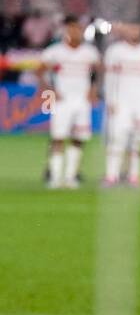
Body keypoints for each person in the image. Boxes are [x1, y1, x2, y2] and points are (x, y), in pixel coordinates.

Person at [38, 15, 98, 189]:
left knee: (79, 137)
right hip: (62, 101)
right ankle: (55, 177)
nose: (74, 32)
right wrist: (50, 91)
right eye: (71, 29)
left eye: (77, 29)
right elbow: (39, 72)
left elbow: (97, 72)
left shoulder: (90, 52)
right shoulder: (55, 51)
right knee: (58, 137)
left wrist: (93, 91)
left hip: (82, 101)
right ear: (66, 31)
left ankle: (71, 176)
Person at [102, 21, 140, 187]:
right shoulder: (115, 51)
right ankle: (111, 175)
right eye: (130, 28)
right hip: (121, 101)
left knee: (138, 140)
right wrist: (110, 99)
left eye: (137, 27)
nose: (134, 31)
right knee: (117, 137)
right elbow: (109, 78)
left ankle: (134, 175)